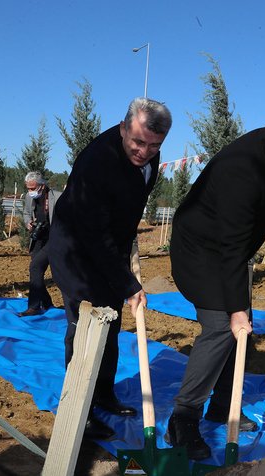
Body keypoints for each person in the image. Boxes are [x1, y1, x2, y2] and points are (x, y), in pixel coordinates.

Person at [166, 110, 265, 460]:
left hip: (232, 248)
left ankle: (223, 406)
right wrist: (236, 307)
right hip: (200, 249)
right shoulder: (240, 170)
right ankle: (183, 417)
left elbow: (248, 231)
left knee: (242, 329)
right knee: (222, 326)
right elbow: (231, 246)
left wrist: (240, 309)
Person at [47, 97, 171, 440]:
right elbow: (93, 233)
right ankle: (79, 411)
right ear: (122, 128)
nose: (145, 152)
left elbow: (128, 204)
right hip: (76, 252)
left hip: (109, 250)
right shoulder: (97, 163)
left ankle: (102, 393)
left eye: (154, 146)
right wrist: (129, 285)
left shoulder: (149, 151)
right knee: (86, 329)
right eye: (138, 142)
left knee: (111, 324)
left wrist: (126, 248)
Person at [17, 171, 59, 317]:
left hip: (53, 239)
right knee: (36, 272)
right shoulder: (29, 197)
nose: (30, 191)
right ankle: (46, 303)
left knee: (36, 267)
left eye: (32, 188)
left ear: (42, 186)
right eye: (28, 188)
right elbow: (26, 213)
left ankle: (34, 307)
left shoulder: (57, 197)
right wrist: (28, 222)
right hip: (38, 238)